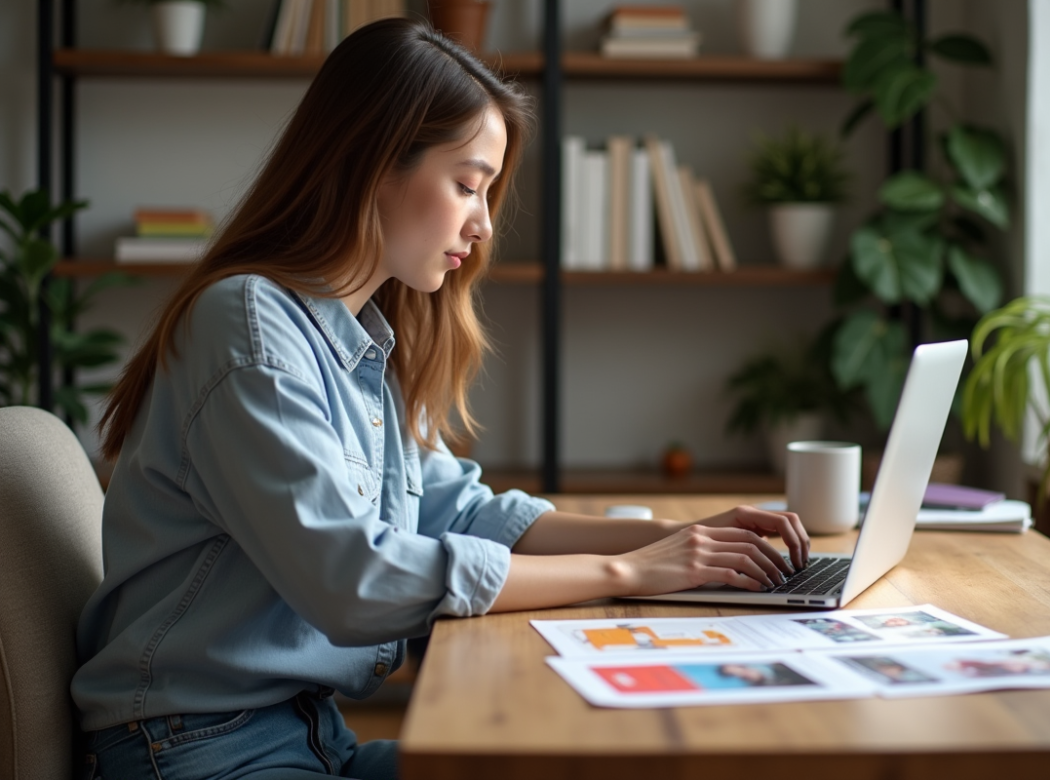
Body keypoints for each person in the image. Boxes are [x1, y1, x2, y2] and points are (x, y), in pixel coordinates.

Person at [71, 19, 810, 780]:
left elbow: (459, 513)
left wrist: (681, 537)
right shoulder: (249, 327)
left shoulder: (357, 341)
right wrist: (632, 573)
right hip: (192, 753)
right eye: (466, 184)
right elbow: (353, 582)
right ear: (372, 163)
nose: (483, 225)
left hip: (306, 737)